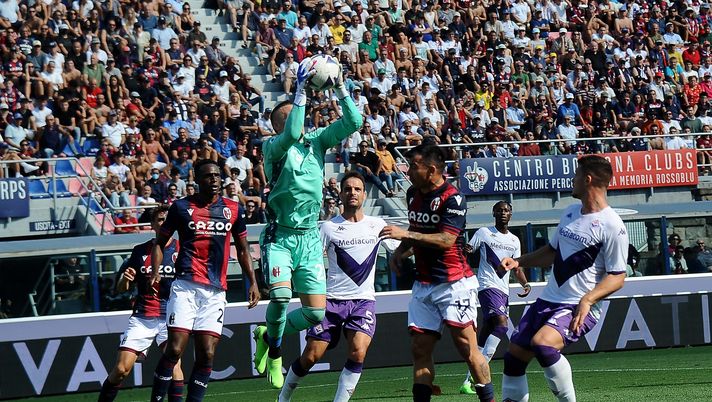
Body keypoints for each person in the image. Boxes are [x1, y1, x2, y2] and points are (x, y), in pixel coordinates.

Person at [253, 57, 363, 389]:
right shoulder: (273, 146)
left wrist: (342, 85)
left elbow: (354, 121)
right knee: (282, 298)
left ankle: (267, 330)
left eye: (295, 113)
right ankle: (273, 351)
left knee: (316, 314)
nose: (294, 120)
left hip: (310, 237)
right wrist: (300, 89)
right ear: (277, 126)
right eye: (286, 117)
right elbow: (291, 133)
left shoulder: (316, 141)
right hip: (281, 236)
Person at [499, 155, 629, 402]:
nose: (573, 180)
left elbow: (618, 276)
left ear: (587, 180)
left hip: (578, 305)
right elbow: (551, 252)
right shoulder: (570, 213)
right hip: (548, 299)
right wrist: (519, 261)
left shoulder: (613, 225)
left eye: (577, 175)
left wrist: (588, 300)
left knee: (543, 345)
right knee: (514, 356)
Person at [379, 144, 495, 402]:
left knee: (467, 348)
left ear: (431, 169)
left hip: (454, 284)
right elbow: (415, 227)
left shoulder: (453, 197)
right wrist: (401, 251)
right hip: (424, 285)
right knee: (419, 349)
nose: (407, 170)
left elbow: (446, 240)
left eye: (413, 166)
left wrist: (404, 235)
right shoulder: (412, 193)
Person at [278, 171, 399, 402]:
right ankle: (283, 397)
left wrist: (417, 241)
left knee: (358, 352)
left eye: (357, 189)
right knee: (311, 356)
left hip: (363, 301)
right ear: (340, 194)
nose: (352, 192)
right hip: (330, 302)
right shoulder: (328, 227)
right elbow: (308, 260)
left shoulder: (377, 225)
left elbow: (399, 250)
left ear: (364, 194)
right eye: (347, 189)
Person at [149, 159, 260, 402]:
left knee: (207, 354)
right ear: (198, 181)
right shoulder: (180, 207)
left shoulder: (233, 208)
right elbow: (159, 242)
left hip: (216, 291)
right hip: (186, 286)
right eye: (209, 176)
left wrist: (252, 281)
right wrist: (156, 269)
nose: (215, 180)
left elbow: (242, 249)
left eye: (218, 176)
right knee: (175, 348)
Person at [98, 205, 184, 402]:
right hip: (142, 317)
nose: (163, 223)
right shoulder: (139, 252)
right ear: (152, 225)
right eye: (159, 220)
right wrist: (125, 280)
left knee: (175, 368)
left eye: (166, 219)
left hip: (170, 317)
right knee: (121, 369)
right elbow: (121, 288)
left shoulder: (182, 250)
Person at [459, 201, 530, 395]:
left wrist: (525, 284)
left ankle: (467, 382)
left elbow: (517, 267)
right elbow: (468, 250)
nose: (503, 213)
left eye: (506, 210)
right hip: (487, 286)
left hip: (503, 291)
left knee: (484, 337)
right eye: (499, 210)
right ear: (493, 213)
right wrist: (464, 255)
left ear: (511, 214)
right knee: (502, 326)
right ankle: (477, 377)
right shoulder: (483, 232)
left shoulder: (515, 240)